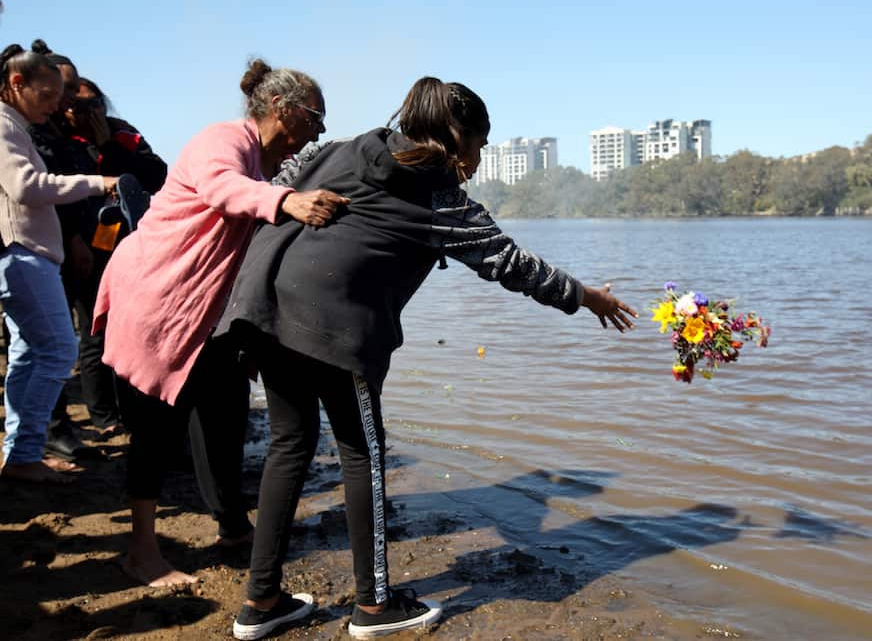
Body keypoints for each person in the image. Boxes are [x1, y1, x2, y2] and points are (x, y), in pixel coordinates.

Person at [217, 77, 638, 640]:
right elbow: (512, 264)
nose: (481, 157)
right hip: (335, 326)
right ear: (456, 136)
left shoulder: (337, 149)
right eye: (480, 144)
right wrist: (589, 298)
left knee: (289, 445)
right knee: (362, 452)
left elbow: (279, 191)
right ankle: (373, 607)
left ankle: (261, 601)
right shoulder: (438, 196)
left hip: (266, 305)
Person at [92, 58, 348, 587]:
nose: (318, 132)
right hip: (158, 300)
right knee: (156, 427)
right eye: (316, 119)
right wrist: (288, 201)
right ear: (282, 108)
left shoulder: (262, 165)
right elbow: (220, 188)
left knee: (225, 417)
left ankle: (232, 526)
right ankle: (140, 551)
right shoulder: (224, 140)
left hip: (207, 313)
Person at [0, 43, 117, 484]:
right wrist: (95, 183)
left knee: (28, 355)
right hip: (25, 253)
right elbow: (27, 187)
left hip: (28, 253)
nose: (56, 106)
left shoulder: (14, 124)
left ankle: (22, 453)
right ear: (17, 84)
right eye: (48, 95)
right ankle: (26, 453)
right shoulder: (4, 125)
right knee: (58, 351)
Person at [58, 76, 167, 436]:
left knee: (133, 329)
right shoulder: (57, 138)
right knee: (93, 333)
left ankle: (135, 409)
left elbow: (155, 175)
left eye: (95, 104)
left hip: (127, 243)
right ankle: (103, 417)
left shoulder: (123, 134)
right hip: (77, 245)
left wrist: (109, 144)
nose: (89, 113)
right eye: (79, 106)